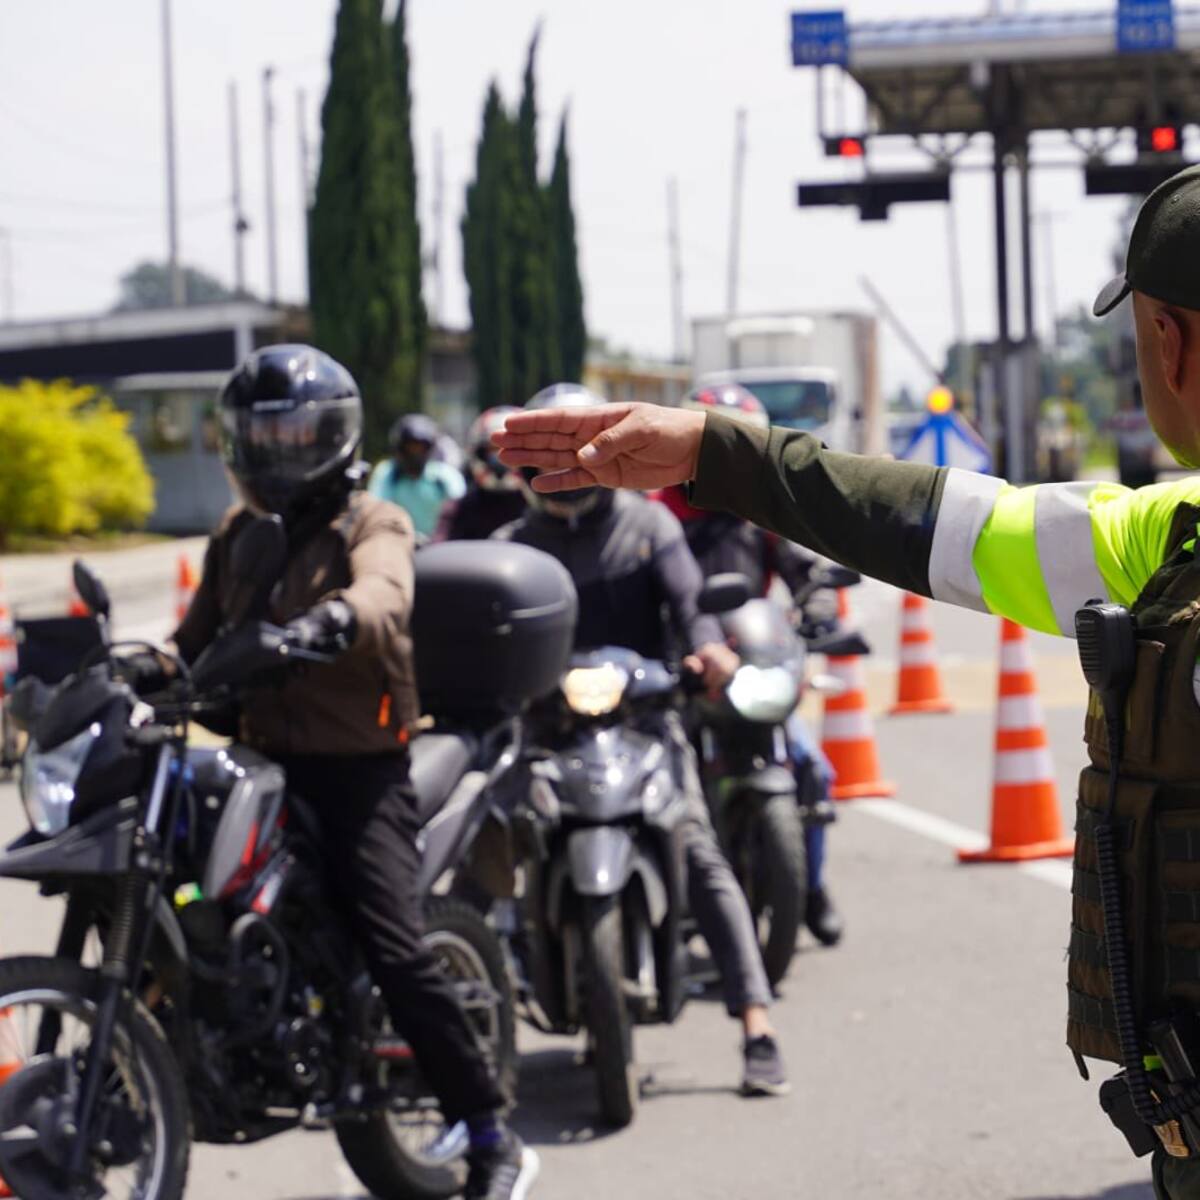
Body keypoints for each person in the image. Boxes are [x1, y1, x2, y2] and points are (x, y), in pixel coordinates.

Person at [493, 163, 1200, 1199]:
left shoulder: (1171, 534)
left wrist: (716, 455)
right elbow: (952, 522)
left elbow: (943, 527)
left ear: (1167, 342)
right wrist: (712, 451)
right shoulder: (1170, 531)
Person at [174, 345, 537, 1200]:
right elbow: (189, 644)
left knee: (393, 943)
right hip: (259, 762)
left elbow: (385, 594)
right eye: (263, 433)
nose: (279, 448)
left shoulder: (373, 520)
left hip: (358, 771)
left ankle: (491, 1134)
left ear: (334, 435)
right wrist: (131, 667)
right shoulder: (238, 535)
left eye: (297, 432)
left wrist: (329, 620)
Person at [493, 382, 790, 1098]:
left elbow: (690, 604)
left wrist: (709, 652)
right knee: (485, 851)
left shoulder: (648, 526)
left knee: (700, 853)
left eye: (576, 452)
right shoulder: (512, 550)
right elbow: (486, 636)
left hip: (645, 721)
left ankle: (757, 1024)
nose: (564, 472)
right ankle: (469, 1030)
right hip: (545, 732)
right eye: (549, 457)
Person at [654, 384, 844, 947]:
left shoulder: (762, 513)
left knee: (812, 768)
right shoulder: (657, 516)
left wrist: (818, 608)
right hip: (684, 673)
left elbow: (806, 570)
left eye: (738, 445)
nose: (723, 459)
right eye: (713, 442)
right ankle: (666, 899)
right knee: (662, 781)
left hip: (754, 665)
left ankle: (811, 887)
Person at [435, 407, 528, 541]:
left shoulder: (542, 509)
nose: (499, 460)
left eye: (509, 451)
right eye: (492, 450)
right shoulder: (459, 509)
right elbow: (440, 545)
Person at [368, 412, 465, 539]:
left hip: (440, 546)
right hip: (398, 544)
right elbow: (377, 510)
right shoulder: (388, 473)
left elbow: (461, 511)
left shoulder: (444, 476)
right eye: (410, 447)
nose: (415, 454)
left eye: (420, 448)